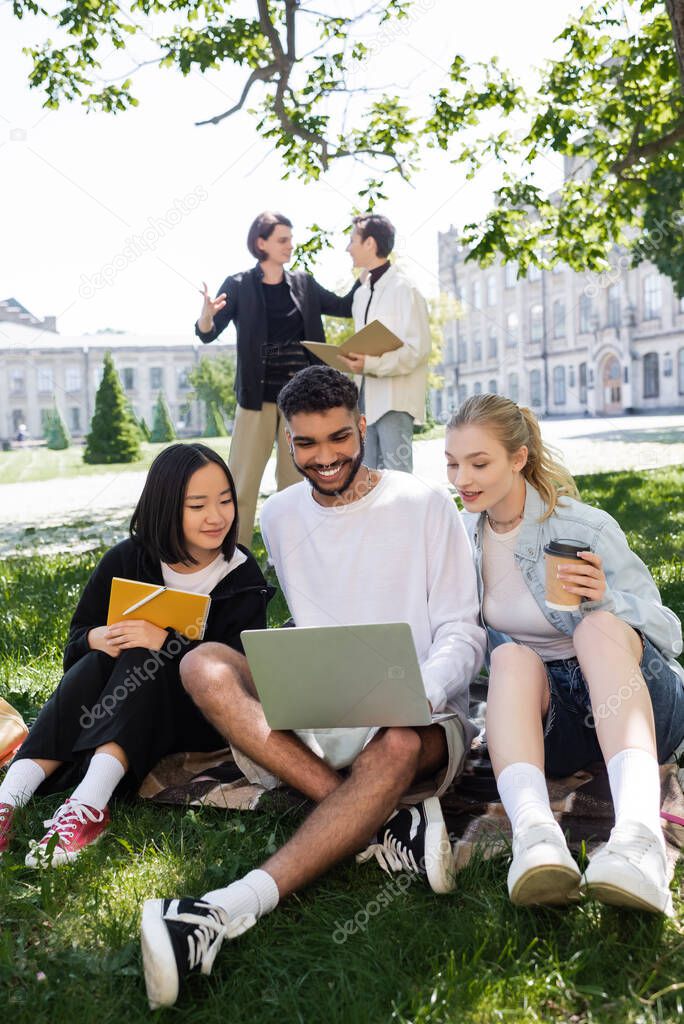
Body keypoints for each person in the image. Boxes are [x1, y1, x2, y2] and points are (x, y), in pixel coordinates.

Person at [140, 365, 485, 1010]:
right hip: (323, 709)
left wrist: (421, 691)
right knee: (204, 665)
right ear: (288, 443)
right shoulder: (280, 513)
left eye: (338, 439)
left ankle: (220, 912)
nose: (324, 458)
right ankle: (385, 827)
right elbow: (311, 615)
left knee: (400, 743)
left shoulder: (425, 503)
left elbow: (464, 632)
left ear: (362, 428)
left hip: (419, 717)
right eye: (305, 444)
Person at [445, 393, 684, 914]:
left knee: (596, 629)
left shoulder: (584, 526)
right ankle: (535, 839)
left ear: (518, 458)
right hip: (560, 725)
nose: (462, 478)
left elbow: (669, 631)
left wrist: (607, 599)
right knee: (509, 658)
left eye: (479, 463)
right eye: (453, 463)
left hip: (636, 698)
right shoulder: (462, 536)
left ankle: (638, 840)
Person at [0, 443, 272, 866]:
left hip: (198, 722)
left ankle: (89, 805)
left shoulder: (241, 575)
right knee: (101, 659)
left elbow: (242, 676)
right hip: (114, 707)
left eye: (225, 501)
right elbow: (75, 644)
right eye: (197, 505)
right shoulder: (128, 560)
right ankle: (9, 799)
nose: (217, 516)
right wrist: (97, 639)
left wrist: (163, 642)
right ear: (165, 508)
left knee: (144, 656)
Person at [196, 210, 358, 548]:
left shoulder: (304, 283)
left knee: (296, 483)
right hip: (256, 399)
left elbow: (344, 306)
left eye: (290, 239)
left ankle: (292, 554)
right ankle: (235, 556)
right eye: (282, 239)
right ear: (261, 243)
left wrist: (370, 269)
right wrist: (206, 318)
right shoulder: (239, 285)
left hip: (301, 403)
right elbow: (208, 334)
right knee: (242, 482)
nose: (290, 245)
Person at [339, 214, 431, 473]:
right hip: (364, 403)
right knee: (366, 481)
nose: (348, 248)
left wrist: (372, 363)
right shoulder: (360, 294)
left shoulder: (406, 289)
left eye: (352, 241)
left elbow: (418, 350)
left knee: (398, 480)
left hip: (395, 402)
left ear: (370, 244)